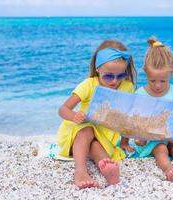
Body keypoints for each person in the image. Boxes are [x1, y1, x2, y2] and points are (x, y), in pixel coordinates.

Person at [121, 37, 173, 182]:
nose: (158, 86)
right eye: (152, 81)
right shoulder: (140, 95)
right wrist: (132, 140)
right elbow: (131, 123)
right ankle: (168, 170)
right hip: (150, 141)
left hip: (172, 138)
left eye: (163, 81)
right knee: (160, 149)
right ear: (146, 73)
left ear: (171, 74)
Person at [57, 39, 137, 188]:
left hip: (103, 136)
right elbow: (63, 109)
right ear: (98, 69)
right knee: (87, 130)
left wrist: (125, 142)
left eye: (120, 76)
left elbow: (126, 118)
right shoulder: (88, 85)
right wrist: (74, 116)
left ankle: (108, 170)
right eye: (108, 76)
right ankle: (80, 172)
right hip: (78, 131)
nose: (114, 81)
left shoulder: (127, 87)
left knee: (96, 147)